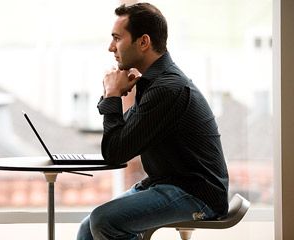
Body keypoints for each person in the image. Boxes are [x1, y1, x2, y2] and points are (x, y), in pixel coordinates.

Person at [77, 2, 229, 240]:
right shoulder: (154, 84)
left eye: (117, 38)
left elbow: (115, 152)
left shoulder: (167, 89)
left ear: (143, 42)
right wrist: (111, 96)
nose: (110, 47)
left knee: (104, 221)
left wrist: (113, 95)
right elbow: (122, 138)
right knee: (89, 227)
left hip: (197, 196)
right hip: (168, 184)